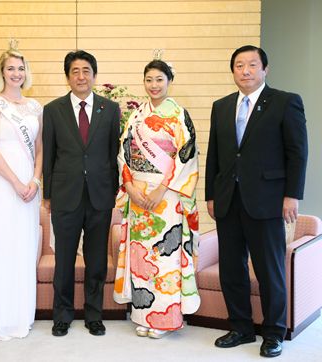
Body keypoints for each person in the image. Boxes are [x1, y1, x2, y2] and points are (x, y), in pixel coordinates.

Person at [205, 45, 308, 358]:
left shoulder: (285, 102)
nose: (245, 70)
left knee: (269, 270)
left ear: (265, 69)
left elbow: (297, 152)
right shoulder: (221, 106)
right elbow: (215, 155)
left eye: (252, 65)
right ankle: (241, 327)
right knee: (232, 270)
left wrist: (292, 195)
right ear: (233, 70)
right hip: (228, 200)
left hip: (267, 201)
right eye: (239, 65)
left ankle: (274, 332)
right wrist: (210, 194)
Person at [114, 58, 200, 339]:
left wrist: (162, 189)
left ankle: (165, 319)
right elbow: (124, 153)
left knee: (165, 257)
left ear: (169, 81)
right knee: (142, 256)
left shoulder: (178, 115)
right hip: (139, 195)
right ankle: (143, 314)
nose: (154, 85)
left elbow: (186, 155)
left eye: (159, 80)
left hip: (168, 195)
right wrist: (130, 186)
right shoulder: (137, 116)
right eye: (149, 79)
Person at [42, 50, 120, 337]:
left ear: (94, 76)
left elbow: (114, 154)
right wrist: (48, 194)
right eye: (75, 71)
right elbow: (49, 155)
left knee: (97, 259)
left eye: (86, 70)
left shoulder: (110, 109)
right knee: (64, 259)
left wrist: (113, 191)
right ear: (67, 77)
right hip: (66, 195)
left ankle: (93, 314)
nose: (81, 76)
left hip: (100, 195)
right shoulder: (52, 110)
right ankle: (62, 314)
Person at [0, 44, 43, 340]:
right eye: (10, 68)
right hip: (4, 186)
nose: (16, 73)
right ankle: (0, 317)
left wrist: (35, 181)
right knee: (3, 247)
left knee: (24, 248)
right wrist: (16, 183)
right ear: (2, 72)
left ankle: (21, 315)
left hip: (29, 188)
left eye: (20, 68)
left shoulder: (35, 107)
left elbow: (40, 149)